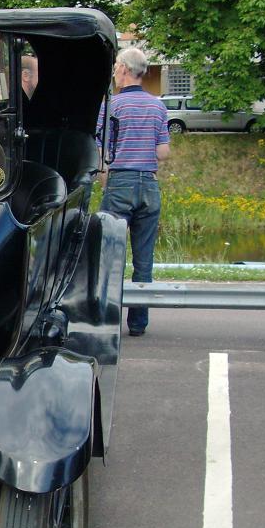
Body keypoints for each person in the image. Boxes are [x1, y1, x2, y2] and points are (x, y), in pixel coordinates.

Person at [96, 47, 170, 337]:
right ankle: (138, 324)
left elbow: (101, 151)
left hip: (120, 183)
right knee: (143, 260)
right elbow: (163, 152)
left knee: (109, 256)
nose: (115, 71)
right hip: (149, 185)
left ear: (125, 69)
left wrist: (105, 179)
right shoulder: (158, 106)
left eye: (116, 66)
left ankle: (107, 320)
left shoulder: (112, 106)